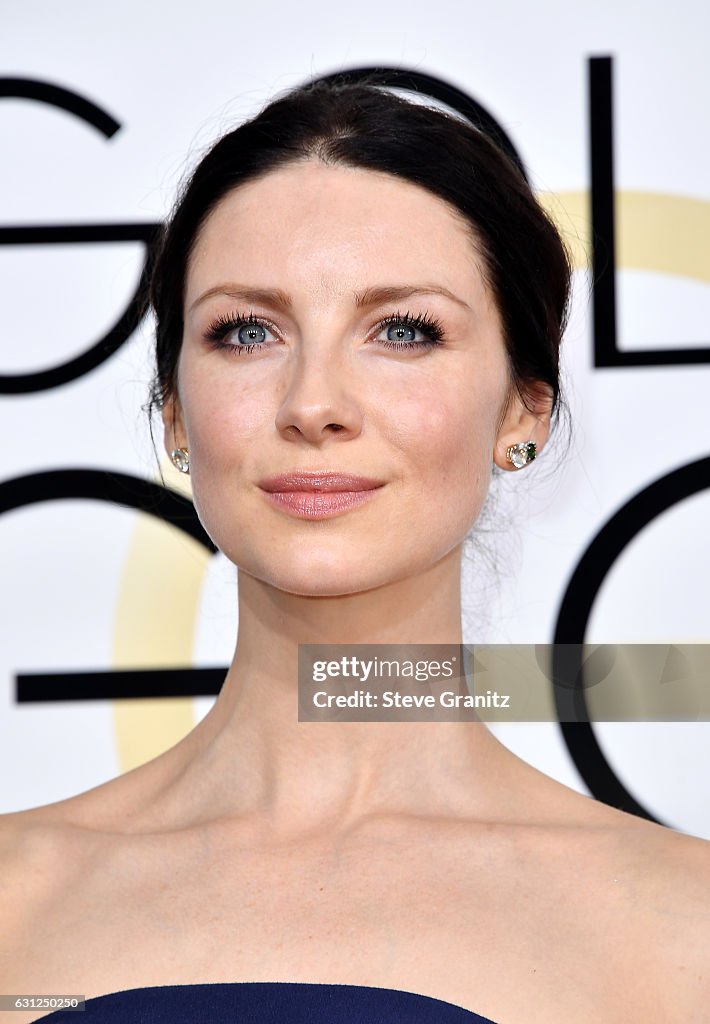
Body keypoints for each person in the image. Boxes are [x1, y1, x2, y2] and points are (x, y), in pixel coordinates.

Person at [1, 78, 708, 1024]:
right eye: (246, 332)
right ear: (174, 409)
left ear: (521, 408)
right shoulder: (16, 903)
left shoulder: (682, 931)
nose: (312, 404)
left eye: (403, 331)